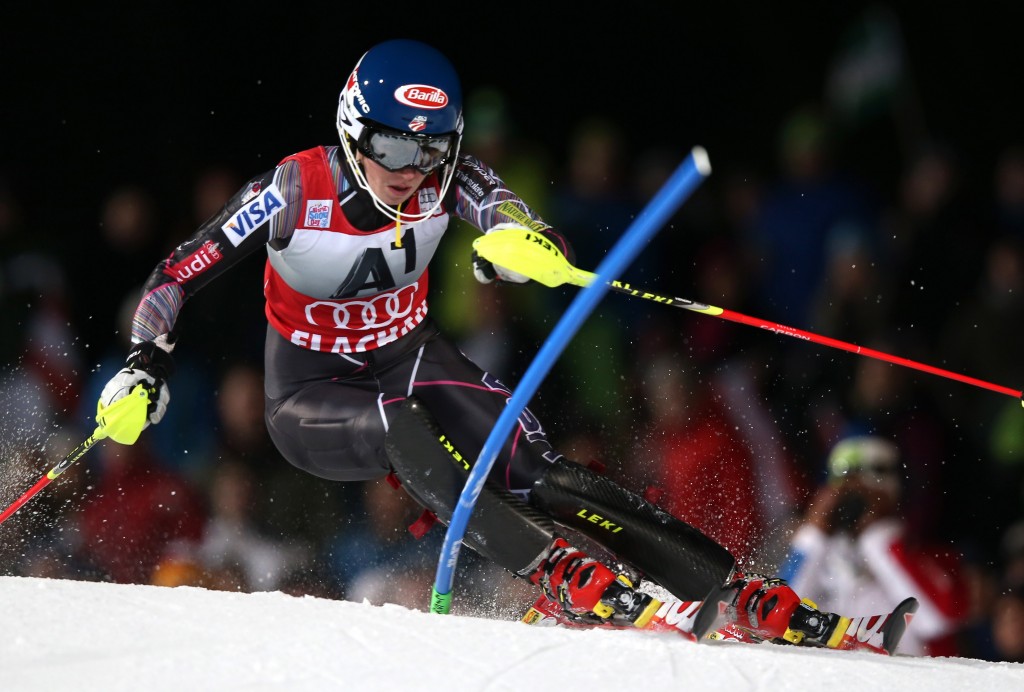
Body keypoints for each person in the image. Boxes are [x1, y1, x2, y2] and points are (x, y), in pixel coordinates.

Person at [96, 38, 887, 648]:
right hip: (311, 395)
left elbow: (511, 214)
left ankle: (730, 587)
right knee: (404, 423)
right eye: (396, 149)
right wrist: (139, 367)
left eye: (432, 147)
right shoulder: (293, 190)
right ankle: (552, 569)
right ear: (351, 129)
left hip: (410, 352)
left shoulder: (450, 177)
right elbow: (173, 275)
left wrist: (527, 245)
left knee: (534, 466)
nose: (414, 171)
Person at [777, 436, 969, 656]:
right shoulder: (820, 553)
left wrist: (877, 536)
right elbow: (776, 617)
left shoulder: (928, 552)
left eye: (865, 487)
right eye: (844, 485)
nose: (855, 497)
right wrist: (814, 535)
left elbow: (935, 622)